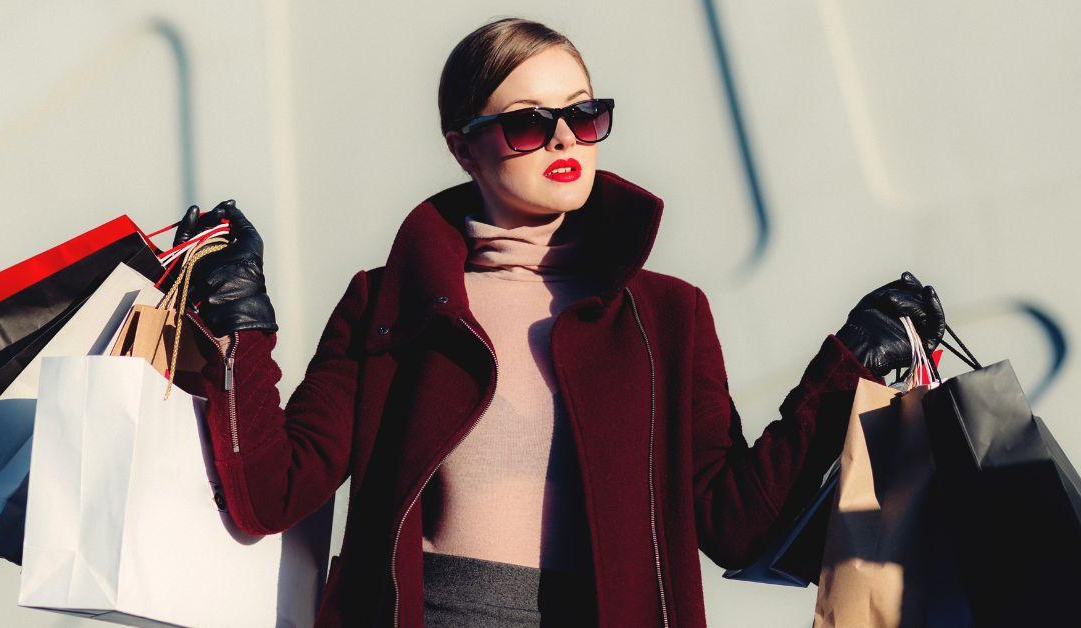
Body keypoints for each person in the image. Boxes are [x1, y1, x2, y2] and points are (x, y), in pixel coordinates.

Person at [171, 17, 945, 628]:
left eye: (584, 112)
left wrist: (849, 363)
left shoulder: (668, 315)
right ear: (463, 147)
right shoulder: (391, 302)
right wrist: (241, 323)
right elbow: (271, 493)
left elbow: (733, 524)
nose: (567, 138)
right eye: (528, 124)